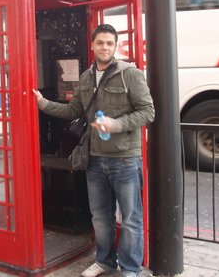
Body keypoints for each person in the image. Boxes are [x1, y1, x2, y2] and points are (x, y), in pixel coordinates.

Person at [33, 24, 155, 277]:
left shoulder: (129, 74)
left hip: (125, 159)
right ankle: (104, 261)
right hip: (95, 159)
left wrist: (116, 124)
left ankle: (131, 269)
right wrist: (42, 103)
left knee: (131, 219)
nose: (105, 47)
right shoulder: (87, 78)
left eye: (110, 43)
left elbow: (148, 111)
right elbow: (73, 110)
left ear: (116, 46)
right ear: (92, 45)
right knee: (100, 217)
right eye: (100, 43)